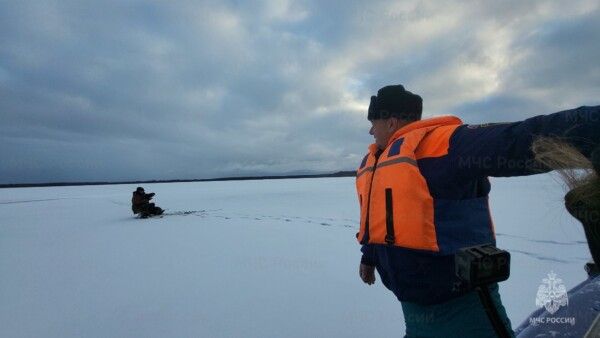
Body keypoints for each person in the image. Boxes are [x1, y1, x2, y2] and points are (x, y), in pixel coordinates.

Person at [356, 84, 600, 337]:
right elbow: (380, 219)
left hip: (466, 313)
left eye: (374, 122)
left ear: (392, 122)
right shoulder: (379, 163)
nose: (371, 130)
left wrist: (593, 128)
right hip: (412, 312)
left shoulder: (446, 146)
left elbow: (516, 139)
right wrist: (369, 257)